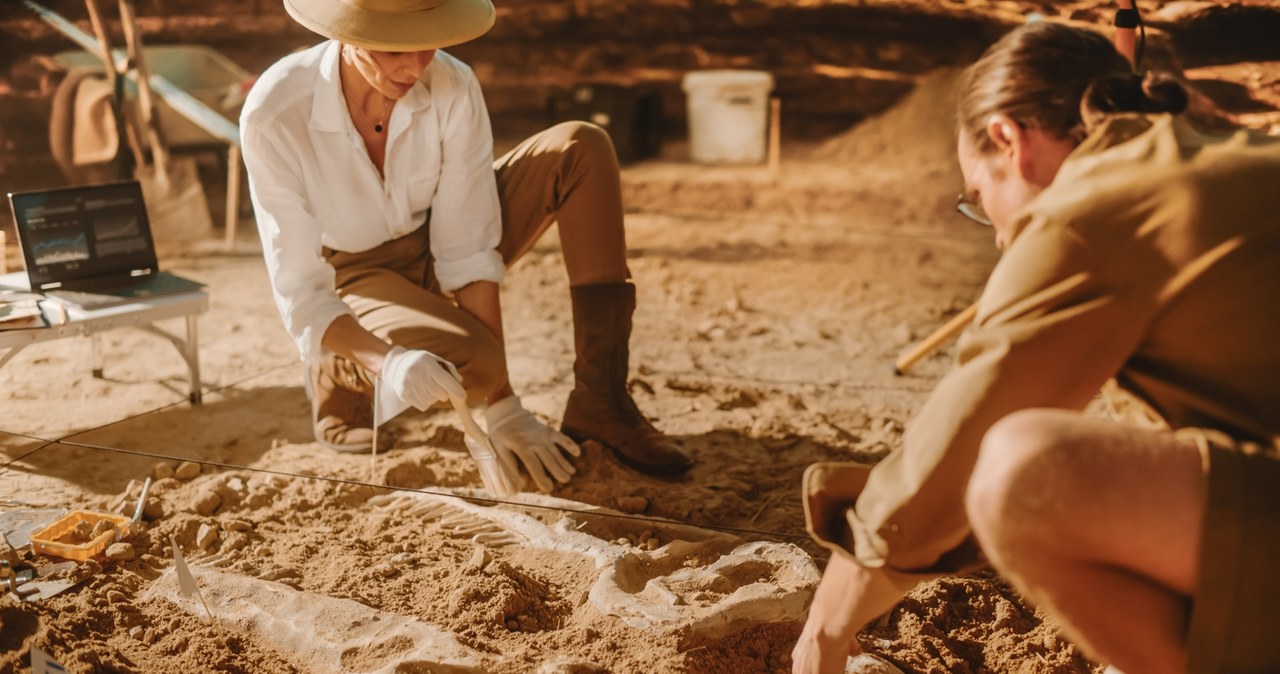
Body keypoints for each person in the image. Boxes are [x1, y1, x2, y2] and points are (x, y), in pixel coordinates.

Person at [793, 21, 1280, 674]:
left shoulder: (1094, 206)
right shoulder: (1212, 154)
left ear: (1008, 139)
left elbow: (947, 462)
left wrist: (824, 631)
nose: (996, 236)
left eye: (979, 196)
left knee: (1019, 474)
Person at [240, 0, 694, 489]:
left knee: (579, 148)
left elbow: (466, 244)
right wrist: (389, 362)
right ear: (348, 35)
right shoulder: (276, 113)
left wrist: (503, 407)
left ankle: (602, 402)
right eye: (395, 48)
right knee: (477, 368)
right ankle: (344, 370)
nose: (415, 66)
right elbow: (302, 291)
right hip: (353, 271)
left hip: (432, 237)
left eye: (428, 41)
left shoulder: (452, 84)